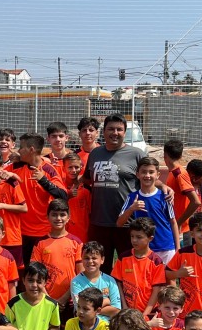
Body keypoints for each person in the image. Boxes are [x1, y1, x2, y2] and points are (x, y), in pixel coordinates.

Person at [82, 114, 147, 273]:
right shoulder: (95, 154)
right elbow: (86, 180)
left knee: (129, 268)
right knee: (99, 269)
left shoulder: (137, 154)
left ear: (125, 132)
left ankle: (128, 297)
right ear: (103, 132)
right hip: (99, 223)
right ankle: (103, 298)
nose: (115, 132)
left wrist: (165, 187)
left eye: (119, 129)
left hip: (127, 224)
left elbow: (149, 178)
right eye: (111, 129)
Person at [12, 133, 68, 261]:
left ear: (31, 149)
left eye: (21, 147)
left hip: (44, 232)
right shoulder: (16, 167)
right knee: (24, 273)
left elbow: (63, 195)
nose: (19, 151)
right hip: (21, 232)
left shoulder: (48, 170)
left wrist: (43, 180)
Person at [117, 157, 178, 264]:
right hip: (143, 248)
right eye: (144, 172)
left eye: (151, 172)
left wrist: (177, 248)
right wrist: (132, 208)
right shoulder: (132, 197)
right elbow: (119, 223)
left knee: (169, 279)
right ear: (137, 174)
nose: (147, 175)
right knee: (145, 279)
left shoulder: (165, 196)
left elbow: (173, 222)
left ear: (158, 175)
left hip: (165, 247)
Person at [30, 199, 84, 312]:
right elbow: (35, 274)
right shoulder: (40, 243)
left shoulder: (76, 242)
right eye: (54, 215)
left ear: (68, 217)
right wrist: (48, 298)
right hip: (44, 299)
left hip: (70, 300)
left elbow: (81, 275)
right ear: (48, 217)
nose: (58, 218)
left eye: (62, 215)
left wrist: (64, 298)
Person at [0, 149, 27, 268]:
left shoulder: (11, 182)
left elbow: (24, 208)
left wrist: (2, 205)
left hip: (12, 237)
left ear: (2, 166)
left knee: (16, 273)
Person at [114, 218, 167, 316]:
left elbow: (156, 291)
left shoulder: (156, 261)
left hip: (149, 314)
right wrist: (124, 307)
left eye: (139, 237)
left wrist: (145, 315)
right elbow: (118, 283)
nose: (134, 240)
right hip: (127, 312)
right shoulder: (123, 257)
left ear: (150, 238)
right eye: (132, 236)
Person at [70, 241, 121, 319]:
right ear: (82, 259)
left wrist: (89, 309)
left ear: (102, 260)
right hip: (86, 327)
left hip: (106, 326)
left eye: (94, 258)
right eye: (86, 258)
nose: (90, 261)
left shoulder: (110, 281)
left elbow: (116, 310)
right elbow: (80, 310)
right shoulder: (76, 282)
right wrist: (106, 301)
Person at [163, 139, 201, 245]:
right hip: (172, 227)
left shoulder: (180, 173)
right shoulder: (173, 172)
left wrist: (179, 223)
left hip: (181, 231)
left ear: (165, 155)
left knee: (182, 261)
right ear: (180, 156)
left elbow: (196, 202)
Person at [64, 152, 91, 242]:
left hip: (82, 234)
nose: (73, 170)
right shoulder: (59, 187)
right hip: (63, 233)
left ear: (81, 168)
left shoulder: (86, 190)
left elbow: (91, 213)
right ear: (64, 168)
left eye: (76, 167)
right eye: (70, 167)